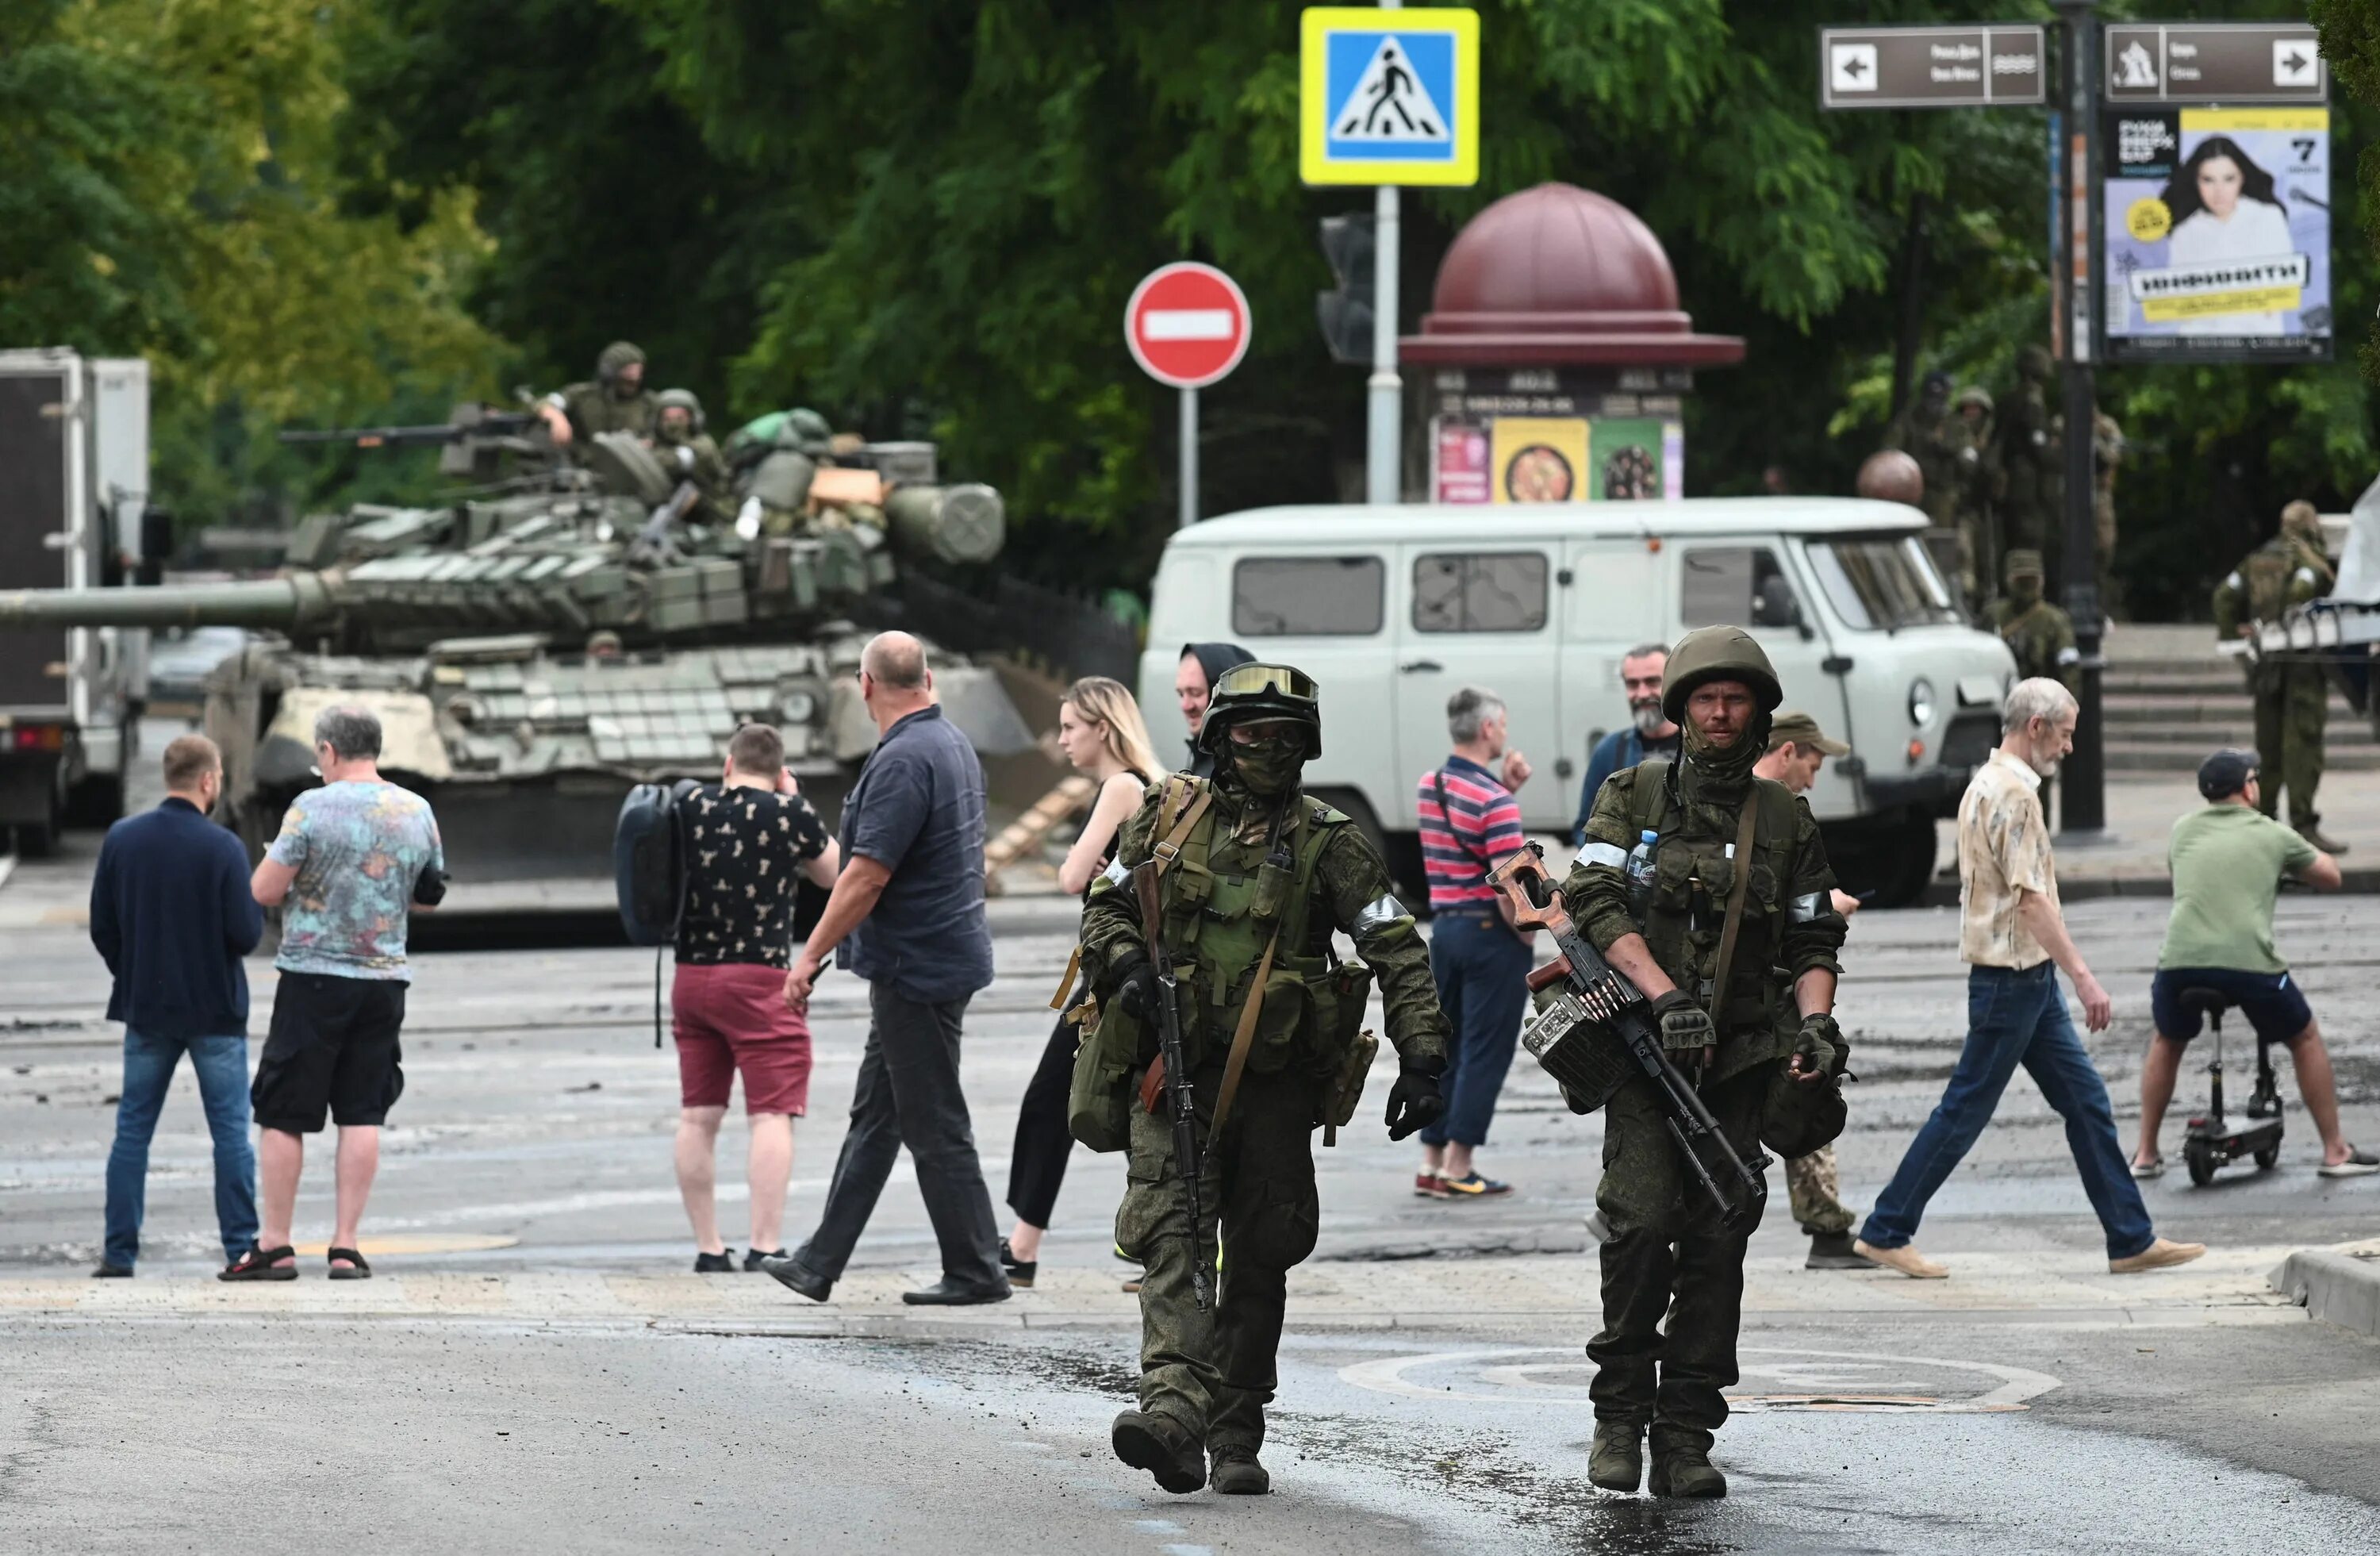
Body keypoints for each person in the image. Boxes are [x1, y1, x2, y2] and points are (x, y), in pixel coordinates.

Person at [1081, 662, 1449, 1496]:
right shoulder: (1165, 818)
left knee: (1257, 1258)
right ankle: (1172, 1412)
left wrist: (1424, 1057)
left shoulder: (1329, 839)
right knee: (1172, 1237)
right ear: (1219, 737)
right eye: (1253, 733)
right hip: (1175, 1074)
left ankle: (1236, 1425)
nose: (1269, 749)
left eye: (1287, 736)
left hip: (1277, 1090)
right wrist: (1127, 963)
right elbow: (1102, 907)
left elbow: (1396, 946)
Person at [1566, 628, 1848, 1500]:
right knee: (1642, 1227)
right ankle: (1620, 1416)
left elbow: (1811, 935)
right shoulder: (1634, 791)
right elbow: (1590, 896)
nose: (1720, 713)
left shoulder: (1787, 817)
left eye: (1736, 700)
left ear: (1759, 714)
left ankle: (1685, 1431)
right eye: (1705, 698)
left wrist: (1817, 1028)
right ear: (1680, 707)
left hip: (1740, 1063)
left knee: (1720, 1242)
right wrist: (1662, 993)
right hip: (1649, 1061)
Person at [1855, 678, 2205, 1282]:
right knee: (1964, 1110)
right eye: (2066, 734)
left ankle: (2130, 1237)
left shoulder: (1983, 785)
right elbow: (2031, 901)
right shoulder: (2013, 795)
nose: (2070, 747)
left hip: (2025, 980)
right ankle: (1887, 1228)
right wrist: (2086, 977)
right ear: (2036, 726)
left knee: (2086, 1101)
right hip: (2010, 981)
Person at [763, 632, 1008, 1305]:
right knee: (878, 1117)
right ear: (928, 678)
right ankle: (819, 1262)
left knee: (934, 1123)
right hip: (934, 956)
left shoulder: (905, 759)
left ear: (865, 686)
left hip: (917, 968)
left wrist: (809, 954)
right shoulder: (951, 743)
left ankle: (978, 1268)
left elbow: (864, 876)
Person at [236, 708, 445, 1281]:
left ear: (328, 751)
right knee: (362, 1110)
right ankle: (347, 1244)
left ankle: (276, 1244)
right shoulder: (416, 810)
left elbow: (264, 889)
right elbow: (428, 894)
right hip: (383, 979)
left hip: (313, 977)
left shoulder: (310, 808)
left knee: (283, 1110)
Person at [2132, 749, 2377, 1178]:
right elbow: (2331, 875)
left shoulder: (2182, 830)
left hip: (2179, 961)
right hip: (2248, 963)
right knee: (2304, 1036)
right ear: (2247, 788)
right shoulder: (2272, 834)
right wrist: (2286, 868)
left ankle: (2145, 1154)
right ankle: (2335, 1151)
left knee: (2167, 1040)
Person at [1000, 677, 1166, 1289]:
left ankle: (1022, 1249)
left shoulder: (1120, 785)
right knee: (1137, 1111)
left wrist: (1089, 865)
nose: (1062, 737)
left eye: (1071, 726)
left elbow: (1073, 876)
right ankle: (1165, 1249)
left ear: (1102, 726)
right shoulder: (1156, 781)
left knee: (1051, 1100)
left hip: (1107, 982)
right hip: (1137, 976)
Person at [88, 736, 264, 1278]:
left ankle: (120, 1252)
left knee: (132, 1132)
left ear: (170, 776)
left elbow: (103, 926)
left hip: (147, 1010)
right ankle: (239, 1246)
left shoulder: (122, 839)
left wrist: (134, 971)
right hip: (215, 1012)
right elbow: (246, 932)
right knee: (230, 1133)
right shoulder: (225, 848)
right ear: (208, 780)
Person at [671, 723, 839, 1273]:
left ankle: (708, 1248)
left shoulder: (690, 805)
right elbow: (837, 873)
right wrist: (794, 800)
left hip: (691, 979)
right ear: (780, 770)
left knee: (698, 1116)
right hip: (759, 980)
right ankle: (764, 1244)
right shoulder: (788, 814)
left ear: (728, 764)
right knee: (770, 1115)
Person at [1749, 713, 1867, 1270]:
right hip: (1771, 997)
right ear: (1787, 751)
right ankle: (1827, 1229)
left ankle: (1828, 1228)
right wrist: (1831, 908)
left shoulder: (1760, 807)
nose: (1814, 780)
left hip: (1768, 996)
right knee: (1805, 1093)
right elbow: (1776, 912)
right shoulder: (1769, 811)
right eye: (1812, 765)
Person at [1414, 686, 1534, 1200]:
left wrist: (1503, 788)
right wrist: (1527, 937)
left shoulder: (1430, 785)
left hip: (1446, 931)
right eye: (1502, 724)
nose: (1504, 732)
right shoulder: (1496, 804)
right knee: (1485, 1050)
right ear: (1488, 729)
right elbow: (1510, 890)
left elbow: (1466, 826)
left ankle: (1431, 1161)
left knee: (1449, 1046)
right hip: (1490, 935)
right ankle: (1461, 1166)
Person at [2214, 501, 2342, 853]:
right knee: (2303, 745)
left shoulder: (2256, 561)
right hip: (2303, 667)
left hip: (2266, 665)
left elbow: (2224, 596)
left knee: (2268, 748)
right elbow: (2302, 593)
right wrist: (2288, 627)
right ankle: (2303, 826)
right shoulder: (2308, 562)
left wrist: (2235, 643)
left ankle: (2264, 823)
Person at [2163, 137, 2296, 336]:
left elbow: (2284, 288)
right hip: (2201, 341)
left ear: (2242, 177)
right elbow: (2181, 302)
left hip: (2260, 340)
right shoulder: (2185, 232)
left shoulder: (2268, 217)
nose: (2219, 192)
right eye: (2208, 180)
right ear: (2196, 181)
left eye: (2229, 179)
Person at [1573, 642, 1680, 844]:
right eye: (1632, 684)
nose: (1641, 694)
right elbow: (1583, 827)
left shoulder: (1697, 749)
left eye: (1652, 682)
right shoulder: (1610, 751)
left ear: (1673, 683)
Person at [1996, 346, 2059, 559]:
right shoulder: (2032, 401)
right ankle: (2026, 589)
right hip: (2027, 481)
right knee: (2030, 537)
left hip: (2012, 478)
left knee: (2015, 536)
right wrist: (2060, 460)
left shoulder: (2009, 398)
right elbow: (2038, 444)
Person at [536, 340, 658, 448]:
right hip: (584, 465)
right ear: (610, 372)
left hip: (633, 467)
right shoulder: (582, 394)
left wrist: (649, 443)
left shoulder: (648, 401)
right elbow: (546, 403)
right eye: (628, 372)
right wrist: (556, 418)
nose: (635, 378)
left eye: (639, 372)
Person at [1988, 550, 2079, 693]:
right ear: (2009, 580)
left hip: (2041, 699)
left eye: (2031, 581)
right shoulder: (1994, 615)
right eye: (2021, 582)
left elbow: (2069, 669)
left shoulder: (2055, 620)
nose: (2026, 587)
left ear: (2041, 581)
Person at [651, 386, 734, 525]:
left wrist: (648, 455)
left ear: (693, 419)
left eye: (680, 418)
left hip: (710, 514)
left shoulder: (703, 444)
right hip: (665, 515)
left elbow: (677, 461)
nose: (673, 424)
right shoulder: (655, 445)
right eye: (667, 419)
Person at [1175, 642, 1253, 778]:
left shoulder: (1237, 774)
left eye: (1195, 693)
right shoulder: (1205, 761)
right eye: (1181, 694)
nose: (1186, 706)